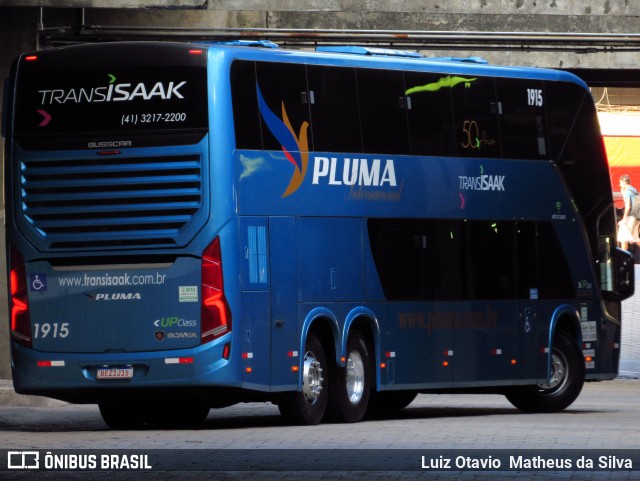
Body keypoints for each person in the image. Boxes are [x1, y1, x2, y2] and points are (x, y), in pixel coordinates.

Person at [617, 174, 640, 251]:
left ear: (625, 182)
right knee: (635, 238)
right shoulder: (634, 190)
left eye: (620, 183)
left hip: (630, 217)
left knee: (623, 239)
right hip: (637, 217)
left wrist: (623, 220)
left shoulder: (627, 191)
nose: (619, 185)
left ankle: (622, 259)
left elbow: (628, 207)